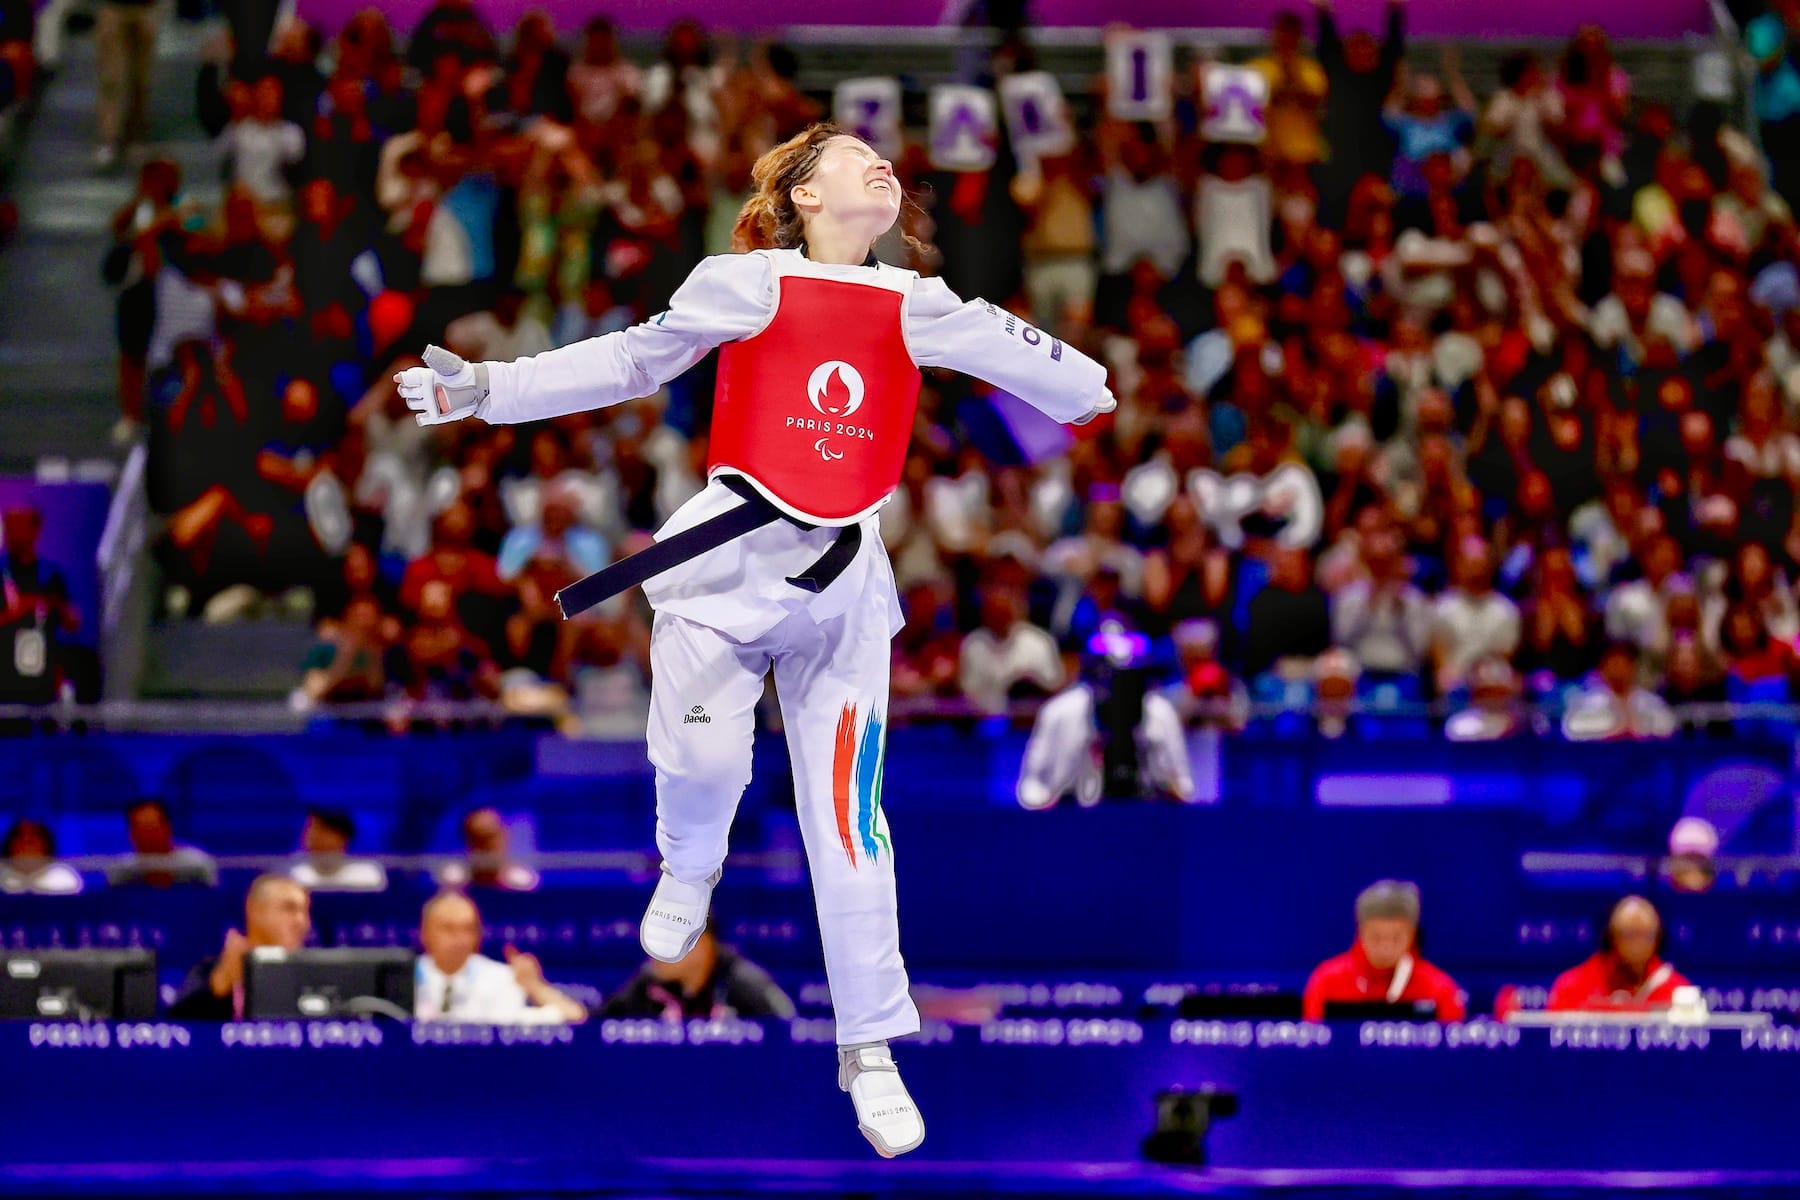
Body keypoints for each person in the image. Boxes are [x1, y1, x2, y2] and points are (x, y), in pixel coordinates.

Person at [395, 122, 1115, 1158]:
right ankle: (689, 869)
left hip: (845, 588)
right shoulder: (747, 281)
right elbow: (631, 359)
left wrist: (1081, 383)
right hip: (724, 567)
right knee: (703, 767)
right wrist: (489, 389)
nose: (881, 163)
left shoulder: (918, 302)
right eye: (853, 155)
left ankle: (870, 1049)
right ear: (804, 196)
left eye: (884, 157)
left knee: (853, 824)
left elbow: (1064, 381)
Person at [1016, 619, 1196, 809]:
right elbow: (1030, 787)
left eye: (1127, 677)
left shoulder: (1162, 713)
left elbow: (1184, 786)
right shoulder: (1058, 712)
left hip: (1144, 816)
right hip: (1073, 817)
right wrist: (1050, 801)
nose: (1117, 686)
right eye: (1108, 675)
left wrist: (1168, 785)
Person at [1302, 879, 1467, 1022]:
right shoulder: (1327, 982)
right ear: (1360, 932)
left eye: (1396, 938)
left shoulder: (1439, 989)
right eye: (1376, 937)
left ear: (1412, 935)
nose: (1385, 947)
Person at [415, 890, 587, 1024]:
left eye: (468, 929)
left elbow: (574, 1017)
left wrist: (534, 986)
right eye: (448, 929)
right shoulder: (405, 977)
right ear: (424, 933)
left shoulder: (501, 978)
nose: (460, 938)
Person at [601, 913, 795, 1022]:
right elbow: (600, 1021)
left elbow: (788, 1031)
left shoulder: (744, 982)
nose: (652, 950)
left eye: (665, 940)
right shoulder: (649, 981)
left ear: (700, 944)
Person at [168, 875, 311, 1019]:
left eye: (305, 911)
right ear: (255, 911)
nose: (301, 921)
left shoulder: (312, 975)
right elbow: (178, 1023)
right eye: (289, 909)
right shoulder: (210, 971)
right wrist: (222, 983)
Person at [1547, 895, 1693, 1011]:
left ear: (1659, 939)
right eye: (1629, 935)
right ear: (1611, 937)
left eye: (1645, 935)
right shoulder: (1572, 986)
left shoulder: (1676, 990)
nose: (1637, 945)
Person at [107, 798, 218, 888]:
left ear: (168, 828)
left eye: (152, 828)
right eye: (142, 829)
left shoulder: (198, 864)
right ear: (132, 834)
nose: (148, 837)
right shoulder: (121, 871)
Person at [435, 806, 541, 892]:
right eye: (478, 837)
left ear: (505, 836)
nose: (486, 845)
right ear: (467, 841)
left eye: (491, 836)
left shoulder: (523, 883)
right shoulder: (452, 881)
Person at [290, 808, 387, 892]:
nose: (311, 836)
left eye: (319, 830)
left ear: (340, 836)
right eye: (308, 830)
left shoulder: (368, 876)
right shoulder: (296, 876)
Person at [0, 818, 83, 894]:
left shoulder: (65, 878)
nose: (27, 842)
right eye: (20, 837)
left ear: (47, 843)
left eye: (34, 837)